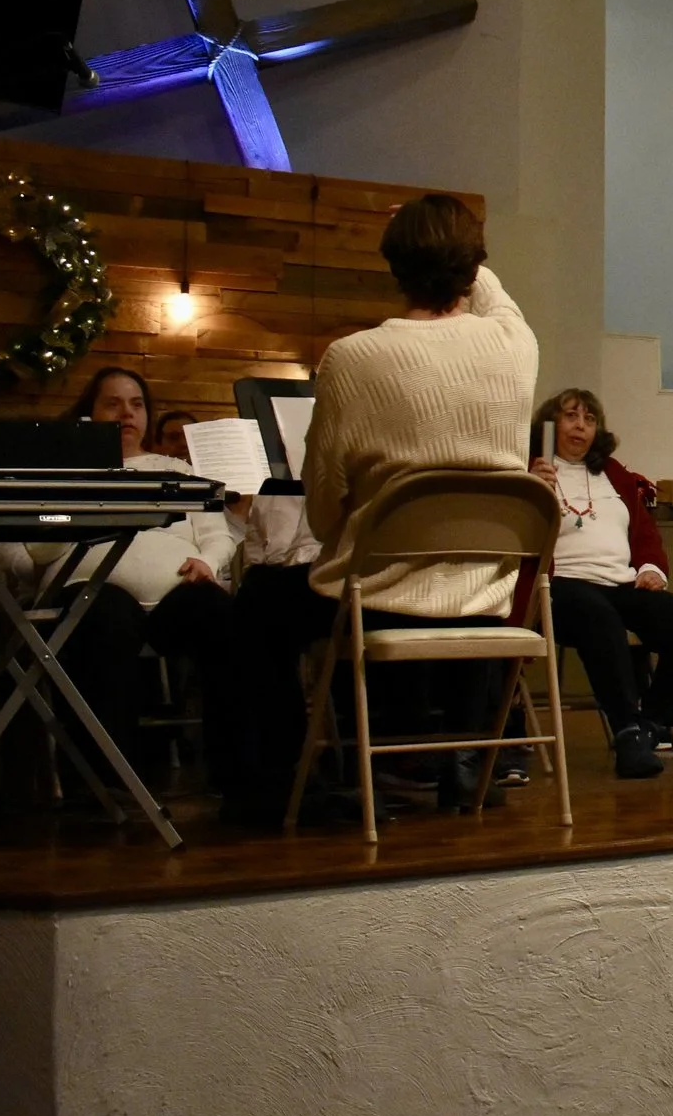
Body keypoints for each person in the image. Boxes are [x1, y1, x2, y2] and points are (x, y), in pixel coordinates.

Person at [212, 194, 538, 823]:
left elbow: (324, 508)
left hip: (380, 596)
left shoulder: (352, 358)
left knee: (260, 601)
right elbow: (495, 296)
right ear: (474, 266)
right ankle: (463, 763)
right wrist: (461, 245)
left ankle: (274, 787)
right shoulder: (515, 344)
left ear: (393, 267)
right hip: (485, 596)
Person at [33, 367, 242, 786]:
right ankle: (108, 781)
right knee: (104, 617)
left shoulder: (175, 470)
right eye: (112, 404)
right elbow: (38, 550)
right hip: (96, 593)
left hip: (175, 593)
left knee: (221, 614)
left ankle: (236, 774)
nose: (126, 414)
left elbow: (217, 534)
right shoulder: (65, 471)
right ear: (90, 412)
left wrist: (208, 562)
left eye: (136, 404)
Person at [528, 388, 673, 775]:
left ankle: (652, 725)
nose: (581, 426)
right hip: (561, 586)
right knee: (600, 617)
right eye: (571, 416)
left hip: (621, 583)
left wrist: (651, 568)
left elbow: (644, 532)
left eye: (589, 419)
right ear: (550, 424)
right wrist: (530, 488)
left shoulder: (614, 475)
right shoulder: (530, 470)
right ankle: (626, 729)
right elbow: (519, 535)